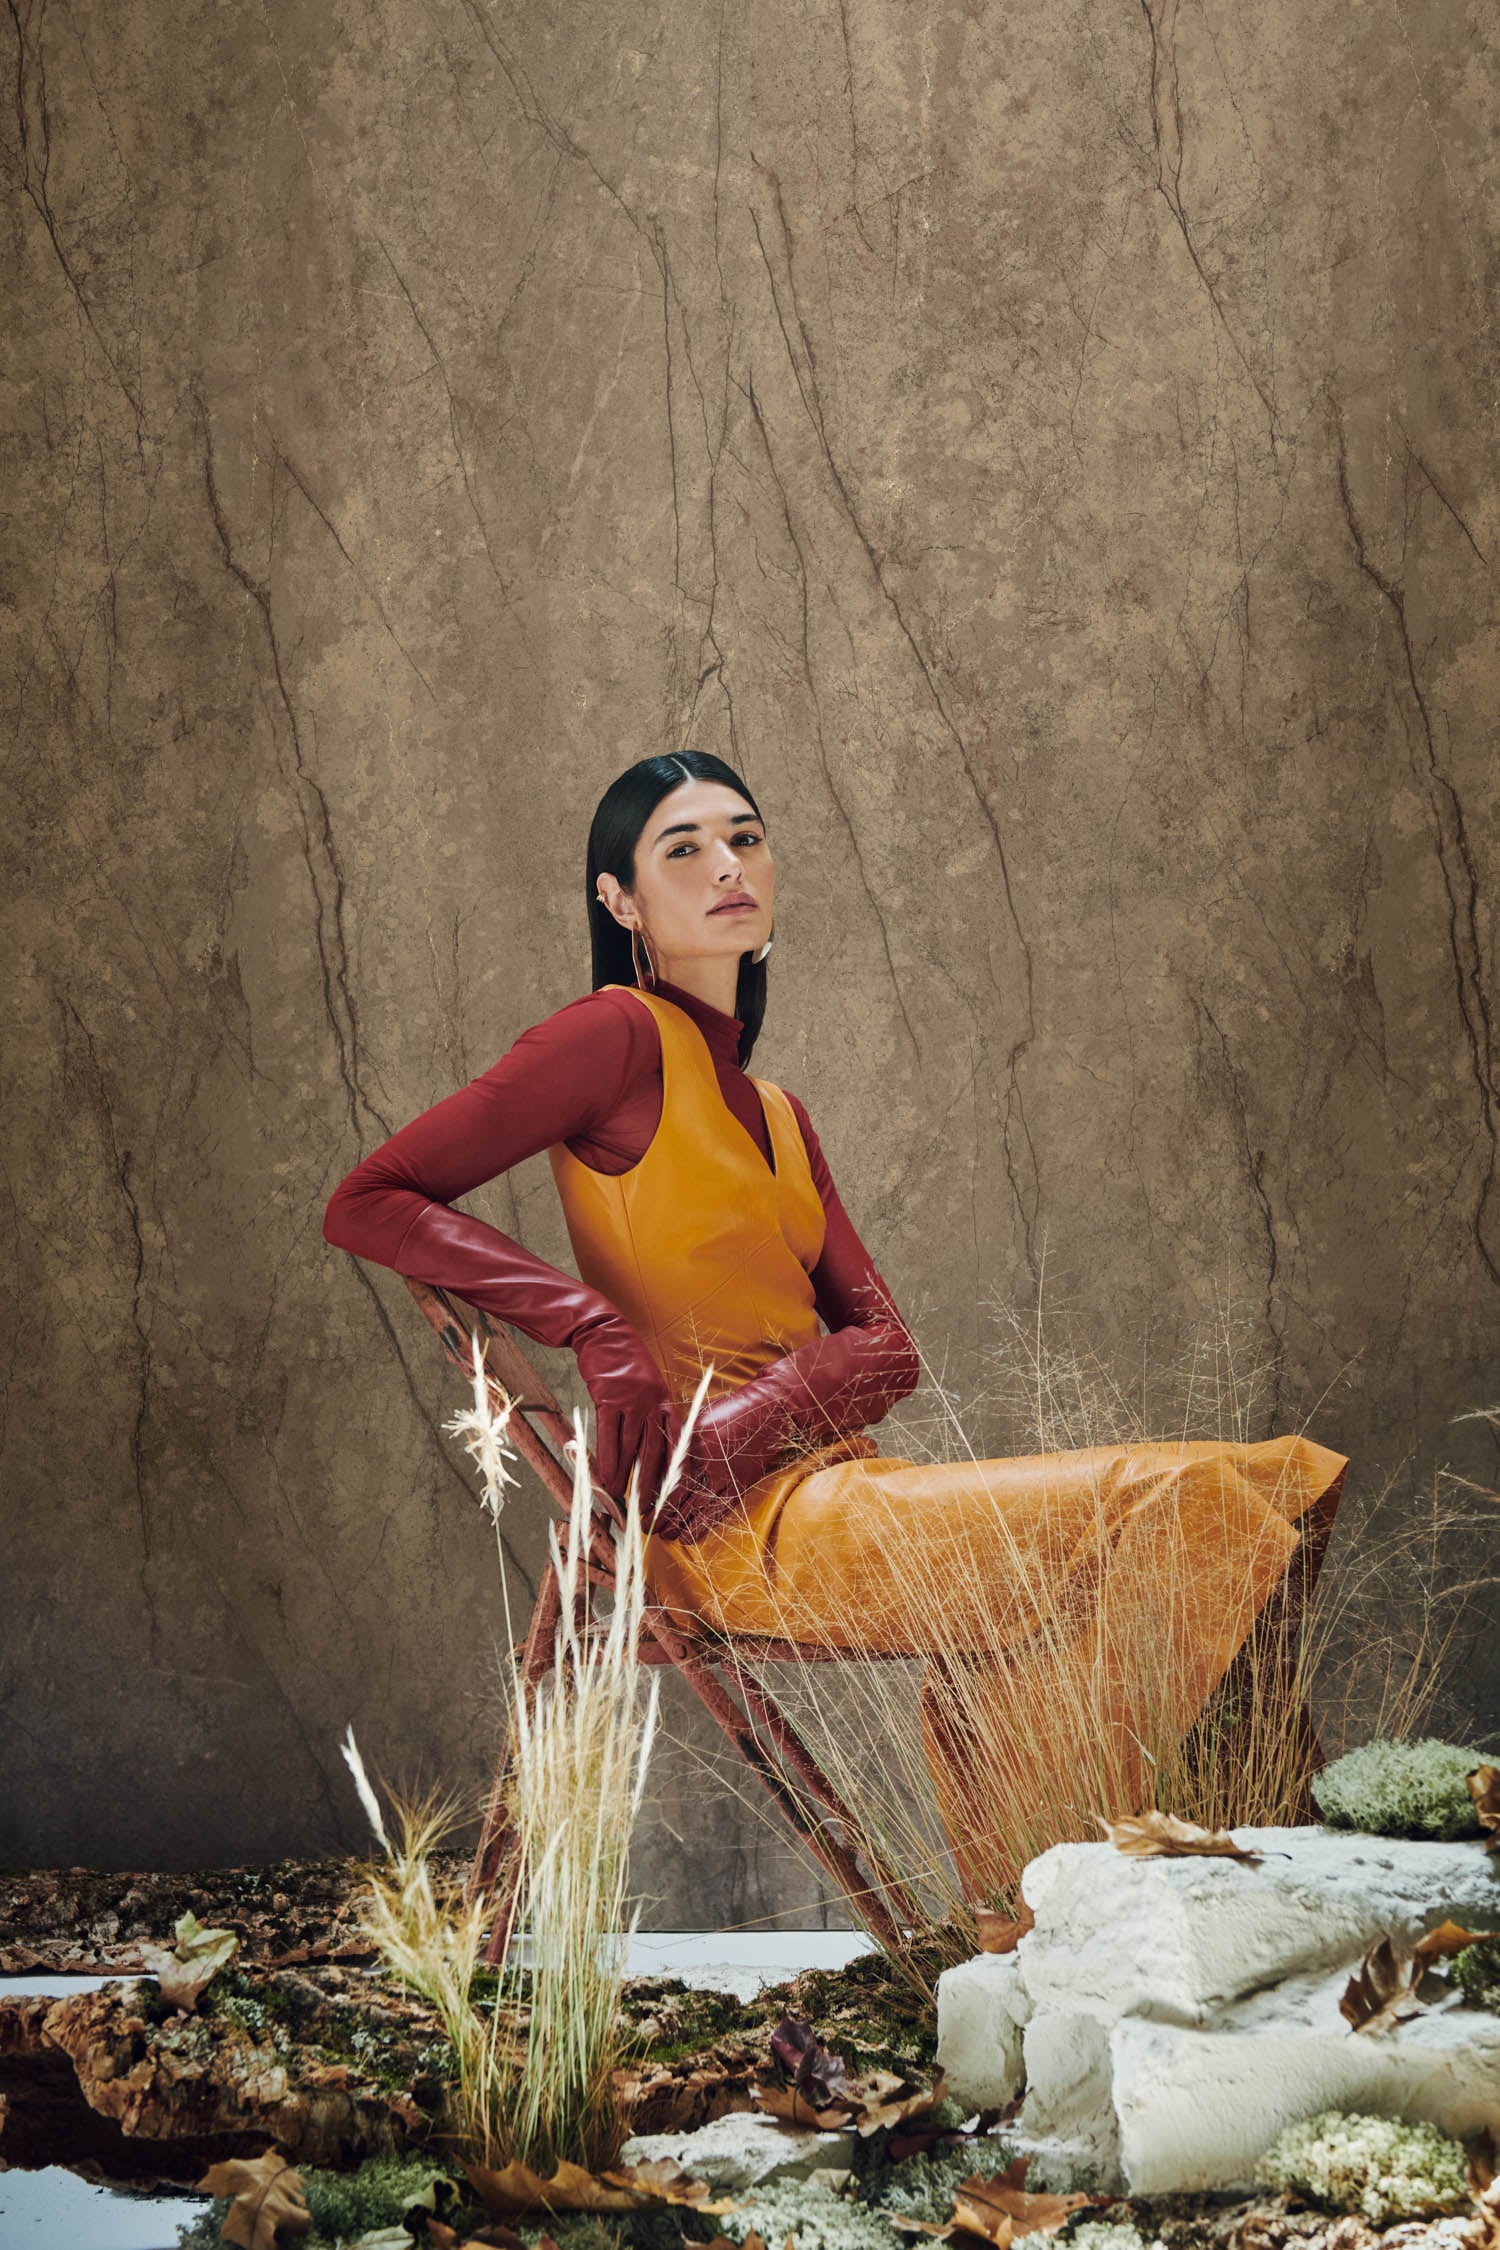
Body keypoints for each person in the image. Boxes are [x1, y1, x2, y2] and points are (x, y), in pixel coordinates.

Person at [323, 751, 1348, 1899]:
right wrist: (594, 1332)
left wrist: (753, 1418)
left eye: (747, 839)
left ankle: (1218, 1885)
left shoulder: (777, 1112)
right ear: (620, 902)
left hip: (827, 1485)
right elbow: (368, 1199)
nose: (727, 866)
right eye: (684, 848)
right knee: (1198, 1503)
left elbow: (892, 1346)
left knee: (1274, 1488)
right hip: (721, 1532)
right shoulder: (610, 1037)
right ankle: (1046, 1907)